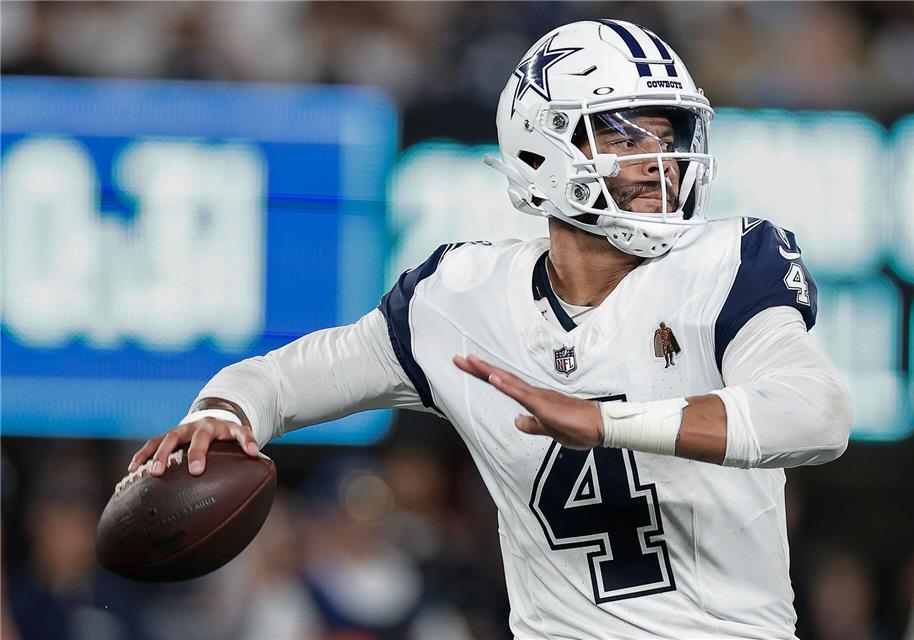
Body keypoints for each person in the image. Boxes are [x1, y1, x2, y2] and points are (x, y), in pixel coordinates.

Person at [129, 20, 852, 639]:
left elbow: (814, 413)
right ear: (541, 148)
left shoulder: (728, 262)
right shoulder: (461, 298)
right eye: (623, 135)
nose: (656, 161)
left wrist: (608, 422)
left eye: (667, 135)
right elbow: (283, 379)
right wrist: (224, 413)